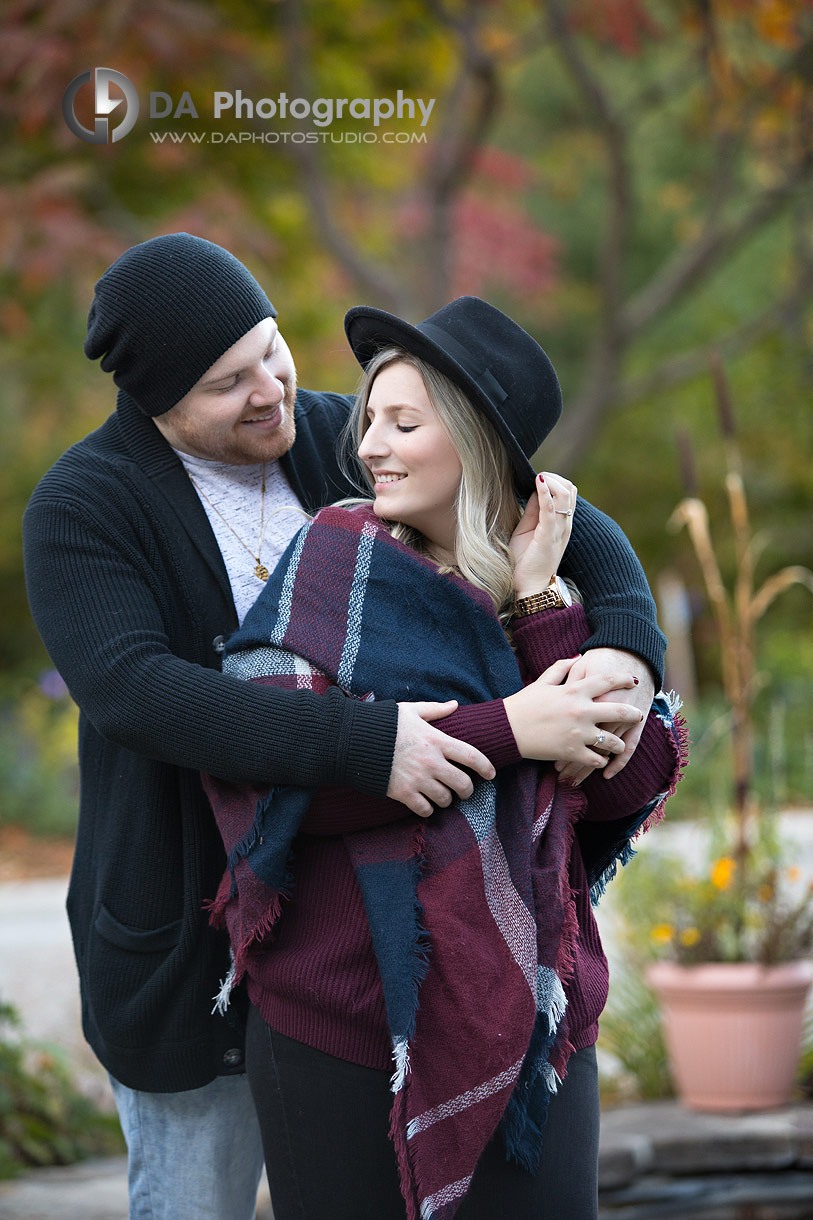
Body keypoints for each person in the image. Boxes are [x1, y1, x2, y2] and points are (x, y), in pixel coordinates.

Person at [22, 234, 667, 1220]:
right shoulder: (85, 505)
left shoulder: (337, 437)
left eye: (272, 351)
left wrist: (625, 645)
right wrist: (379, 743)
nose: (271, 390)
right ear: (158, 402)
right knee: (194, 1199)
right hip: (190, 934)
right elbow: (135, 689)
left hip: (369, 934)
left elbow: (552, 504)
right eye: (228, 381)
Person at [204, 297, 686, 1220]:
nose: (370, 446)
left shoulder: (547, 584)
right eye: (371, 421)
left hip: (533, 1015)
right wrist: (510, 728)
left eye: (403, 422)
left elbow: (616, 783)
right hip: (342, 1022)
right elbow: (286, 785)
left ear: (471, 443)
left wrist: (541, 601)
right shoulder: (333, 561)